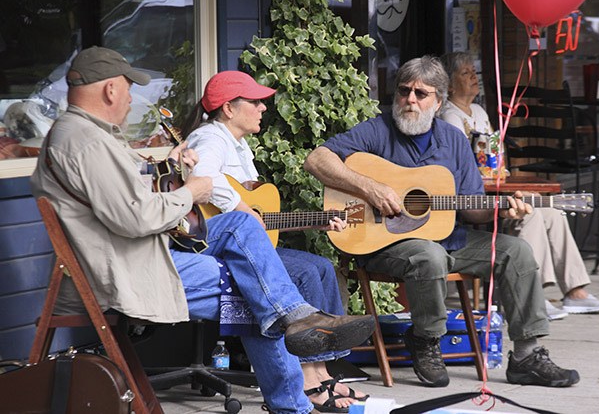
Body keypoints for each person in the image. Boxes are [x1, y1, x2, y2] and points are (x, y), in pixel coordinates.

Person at [29, 46, 375, 414]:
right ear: (111, 89)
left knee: (242, 226)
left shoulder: (80, 134)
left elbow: (122, 200)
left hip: (138, 251)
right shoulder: (87, 142)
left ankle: (294, 317)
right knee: (253, 288)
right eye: (129, 90)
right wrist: (190, 192)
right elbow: (136, 218)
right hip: (126, 268)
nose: (131, 99)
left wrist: (168, 167)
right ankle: (292, 399)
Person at [304, 55, 580, 389]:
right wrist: (370, 187)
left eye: (421, 94)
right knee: (428, 256)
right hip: (385, 245)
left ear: (439, 101)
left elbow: (472, 209)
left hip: (450, 240)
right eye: (404, 91)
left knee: (516, 251)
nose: (410, 100)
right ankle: (425, 341)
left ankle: (526, 355)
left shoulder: (453, 140)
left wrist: (500, 211)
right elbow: (317, 159)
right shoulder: (376, 130)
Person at [178, 70, 368, 413]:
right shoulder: (211, 138)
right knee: (306, 273)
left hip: (240, 240)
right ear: (228, 109)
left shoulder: (238, 145)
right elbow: (203, 177)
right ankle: (308, 381)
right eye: (254, 101)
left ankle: (321, 371)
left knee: (321, 267)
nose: (263, 107)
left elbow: (259, 217)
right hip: (213, 240)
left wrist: (316, 221)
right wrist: (238, 207)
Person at [439, 51, 599, 321]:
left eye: (474, 71)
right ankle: (533, 296)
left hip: (496, 185)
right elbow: (466, 168)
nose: (474, 77)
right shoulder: (449, 117)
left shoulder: (478, 111)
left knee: (552, 211)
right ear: (450, 84)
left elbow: (493, 157)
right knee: (530, 215)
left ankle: (575, 291)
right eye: (465, 73)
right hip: (473, 195)